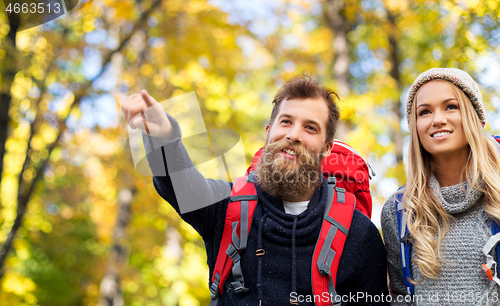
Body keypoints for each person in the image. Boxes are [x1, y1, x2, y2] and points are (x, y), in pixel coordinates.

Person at [123, 76, 389, 305]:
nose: (294, 134)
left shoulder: (359, 233)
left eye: (310, 127)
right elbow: (182, 186)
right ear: (268, 131)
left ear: (327, 148)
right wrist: (163, 136)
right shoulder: (227, 209)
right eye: (286, 122)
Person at [381, 68, 500, 306]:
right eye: (424, 112)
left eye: (451, 107)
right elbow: (401, 299)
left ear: (473, 116)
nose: (437, 120)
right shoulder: (398, 211)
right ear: (415, 127)